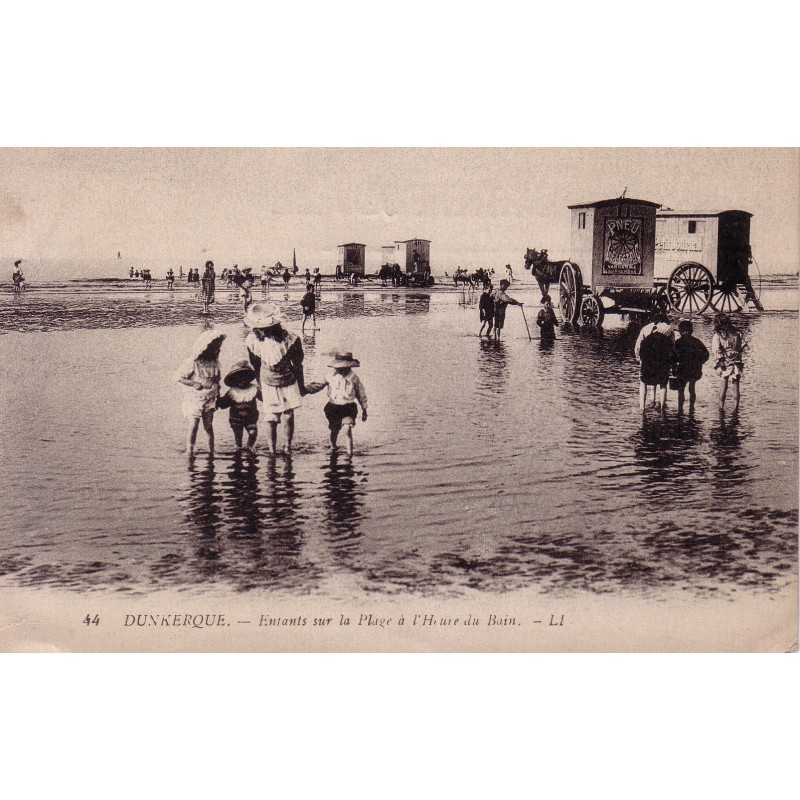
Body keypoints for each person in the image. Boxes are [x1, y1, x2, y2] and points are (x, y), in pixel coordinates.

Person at [245, 303, 307, 454]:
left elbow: (298, 364)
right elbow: (255, 364)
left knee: (287, 415)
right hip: (268, 382)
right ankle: (273, 449)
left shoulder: (290, 339)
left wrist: (301, 385)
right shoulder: (253, 341)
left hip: (286, 380)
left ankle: (287, 446)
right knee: (271, 417)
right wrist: (259, 384)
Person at [306, 352, 368, 456]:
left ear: (349, 366)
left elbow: (361, 393)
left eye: (344, 367)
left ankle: (349, 454)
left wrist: (364, 408)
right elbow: (317, 385)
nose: (341, 369)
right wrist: (306, 389)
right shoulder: (330, 376)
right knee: (334, 430)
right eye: (339, 367)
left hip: (348, 407)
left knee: (347, 428)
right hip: (333, 407)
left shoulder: (354, 378)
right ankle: (333, 446)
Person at [176, 330, 225, 456]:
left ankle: (211, 451)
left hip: (209, 397)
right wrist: (193, 384)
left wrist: (218, 396)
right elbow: (179, 377)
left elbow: (217, 380)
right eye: (213, 348)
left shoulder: (214, 363)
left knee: (208, 426)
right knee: (194, 425)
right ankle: (189, 450)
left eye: (217, 348)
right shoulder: (193, 362)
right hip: (194, 399)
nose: (216, 350)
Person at [217, 360, 261, 452]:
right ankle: (239, 447)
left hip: (251, 417)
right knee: (238, 433)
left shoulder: (254, 389)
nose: (242, 381)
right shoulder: (232, 392)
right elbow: (223, 404)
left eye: (245, 377)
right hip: (236, 418)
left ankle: (250, 446)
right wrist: (217, 395)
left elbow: (265, 398)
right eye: (238, 378)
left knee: (253, 432)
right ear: (234, 380)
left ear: (249, 378)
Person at [635, 311, 675, 410]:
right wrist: (671, 363)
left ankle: (642, 407)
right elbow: (672, 347)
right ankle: (662, 407)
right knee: (663, 384)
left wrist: (640, 360)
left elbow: (638, 346)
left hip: (648, 360)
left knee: (643, 382)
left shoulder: (645, 328)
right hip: (662, 360)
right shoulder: (669, 328)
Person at [672, 319, 710, 414]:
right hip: (695, 369)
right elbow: (706, 354)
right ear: (691, 330)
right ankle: (691, 409)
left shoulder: (678, 342)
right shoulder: (697, 341)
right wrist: (701, 362)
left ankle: (680, 409)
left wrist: (673, 368)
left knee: (681, 390)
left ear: (680, 331)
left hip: (682, 369)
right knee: (692, 388)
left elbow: (673, 356)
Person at [711, 313, 744, 411]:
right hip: (737, 361)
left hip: (724, 361)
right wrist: (736, 352)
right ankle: (736, 409)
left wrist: (720, 361)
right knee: (736, 386)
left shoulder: (718, 335)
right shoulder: (737, 333)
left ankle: (721, 408)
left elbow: (716, 350)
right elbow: (743, 345)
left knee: (723, 386)